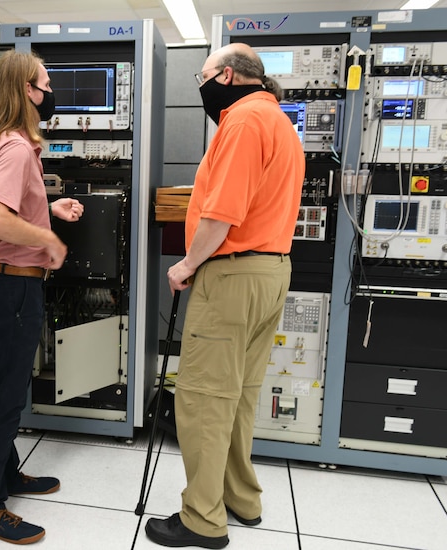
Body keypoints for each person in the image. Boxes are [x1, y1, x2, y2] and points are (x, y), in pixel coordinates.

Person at [145, 43, 305, 549]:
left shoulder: (240, 123)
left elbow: (222, 213)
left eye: (205, 75)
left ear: (230, 76)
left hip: (232, 277)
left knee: (202, 400)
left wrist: (188, 264)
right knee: (239, 397)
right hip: (272, 272)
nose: (202, 85)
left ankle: (202, 520)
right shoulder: (279, 121)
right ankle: (241, 498)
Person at [0, 50, 84, 545]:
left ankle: (7, 476)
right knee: (7, 398)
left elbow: (11, 208)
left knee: (10, 391)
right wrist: (48, 239)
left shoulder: (5, 142)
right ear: (25, 93)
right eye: (45, 84)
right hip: (13, 284)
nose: (49, 92)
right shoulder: (16, 148)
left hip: (9, 281)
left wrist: (46, 209)